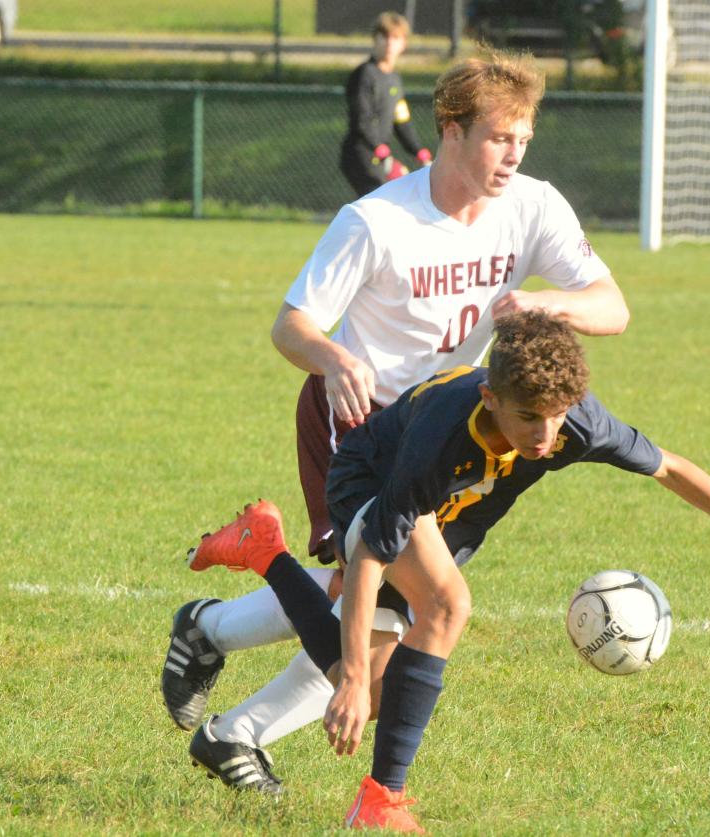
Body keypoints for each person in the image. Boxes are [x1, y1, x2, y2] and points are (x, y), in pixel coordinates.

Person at [186, 311, 710, 832]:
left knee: (376, 696)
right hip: (373, 478)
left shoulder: (571, 420)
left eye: (557, 415)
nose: (545, 434)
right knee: (444, 607)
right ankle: (382, 798)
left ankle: (261, 548)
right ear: (492, 397)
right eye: (528, 417)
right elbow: (369, 560)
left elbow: (670, 467)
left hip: (456, 514)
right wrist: (352, 675)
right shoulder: (441, 437)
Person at [161, 50, 630, 763]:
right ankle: (231, 691)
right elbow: (292, 324)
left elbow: (612, 307)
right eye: (500, 138)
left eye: (524, 141)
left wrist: (547, 299)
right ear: (450, 129)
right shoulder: (377, 220)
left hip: (443, 432)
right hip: (354, 420)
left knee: (377, 623)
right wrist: (334, 355)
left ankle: (220, 667)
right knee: (374, 617)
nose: (514, 156)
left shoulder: (533, 207)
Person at [340, 11, 432, 197]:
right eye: (385, 36)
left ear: (403, 44)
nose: (390, 43)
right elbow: (362, 119)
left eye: (396, 38)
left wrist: (418, 150)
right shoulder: (364, 74)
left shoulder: (394, 79)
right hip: (360, 155)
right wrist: (379, 148)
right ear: (375, 39)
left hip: (379, 156)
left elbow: (401, 120)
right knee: (381, 202)